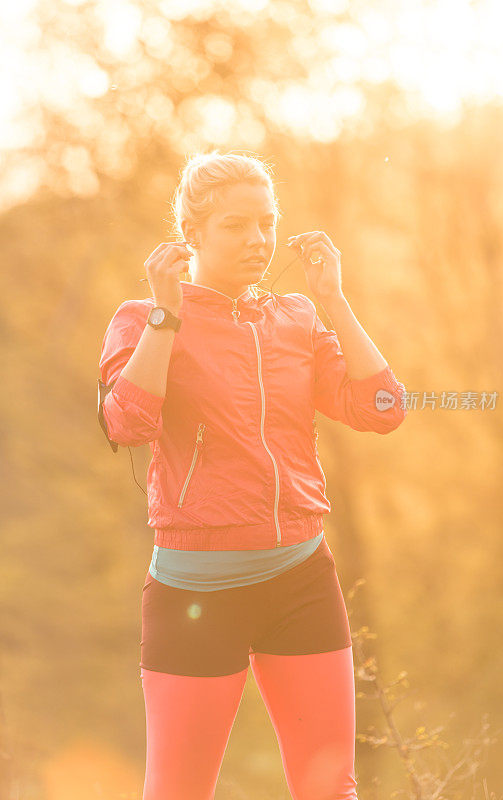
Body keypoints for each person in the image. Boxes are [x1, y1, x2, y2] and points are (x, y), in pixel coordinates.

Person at [98, 150, 408, 800]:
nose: (257, 240)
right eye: (237, 226)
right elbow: (127, 422)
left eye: (266, 223)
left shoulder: (294, 317)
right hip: (196, 598)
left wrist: (333, 300)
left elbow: (382, 409)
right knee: (178, 792)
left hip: (301, 581)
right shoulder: (142, 317)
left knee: (331, 788)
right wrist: (166, 312)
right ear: (194, 234)